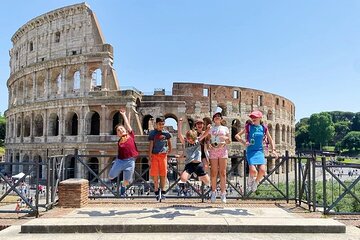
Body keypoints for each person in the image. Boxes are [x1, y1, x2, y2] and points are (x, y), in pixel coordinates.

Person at [235, 110, 278, 192]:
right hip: (251, 151)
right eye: (251, 117)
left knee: (262, 170)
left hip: (259, 151)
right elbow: (237, 136)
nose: (253, 118)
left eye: (255, 117)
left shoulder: (263, 128)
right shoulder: (249, 126)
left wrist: (273, 150)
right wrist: (244, 143)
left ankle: (256, 182)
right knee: (254, 171)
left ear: (260, 118)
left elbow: (270, 139)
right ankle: (251, 178)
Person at [108, 108, 139, 194]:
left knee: (126, 181)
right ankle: (116, 168)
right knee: (110, 176)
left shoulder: (131, 135)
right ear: (117, 134)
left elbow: (128, 124)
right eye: (118, 130)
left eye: (121, 128)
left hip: (130, 161)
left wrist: (124, 115)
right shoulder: (119, 141)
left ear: (125, 130)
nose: (120, 130)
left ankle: (122, 185)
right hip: (120, 161)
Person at [205, 112, 231, 203]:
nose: (217, 118)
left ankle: (223, 193)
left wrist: (225, 138)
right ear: (213, 119)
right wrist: (209, 145)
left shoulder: (225, 128)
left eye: (219, 116)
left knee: (223, 173)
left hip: (222, 150)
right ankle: (213, 192)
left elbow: (229, 141)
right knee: (213, 173)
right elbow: (207, 139)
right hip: (213, 151)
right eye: (215, 117)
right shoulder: (211, 129)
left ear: (221, 119)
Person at [177, 118, 211, 188]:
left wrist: (208, 128)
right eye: (189, 139)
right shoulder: (186, 142)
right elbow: (180, 135)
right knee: (183, 178)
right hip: (189, 164)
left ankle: (205, 185)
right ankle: (186, 184)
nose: (191, 141)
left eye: (192, 139)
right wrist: (180, 124)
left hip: (198, 164)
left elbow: (205, 134)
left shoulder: (197, 140)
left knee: (207, 181)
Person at [148, 116, 172, 201]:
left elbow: (169, 143)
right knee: (155, 174)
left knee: (163, 173)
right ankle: (156, 190)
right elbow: (150, 146)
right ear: (156, 124)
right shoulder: (152, 133)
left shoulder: (166, 133)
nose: (161, 126)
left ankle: (163, 190)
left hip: (163, 155)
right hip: (154, 155)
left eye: (162, 124)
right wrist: (149, 157)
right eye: (159, 124)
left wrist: (169, 152)